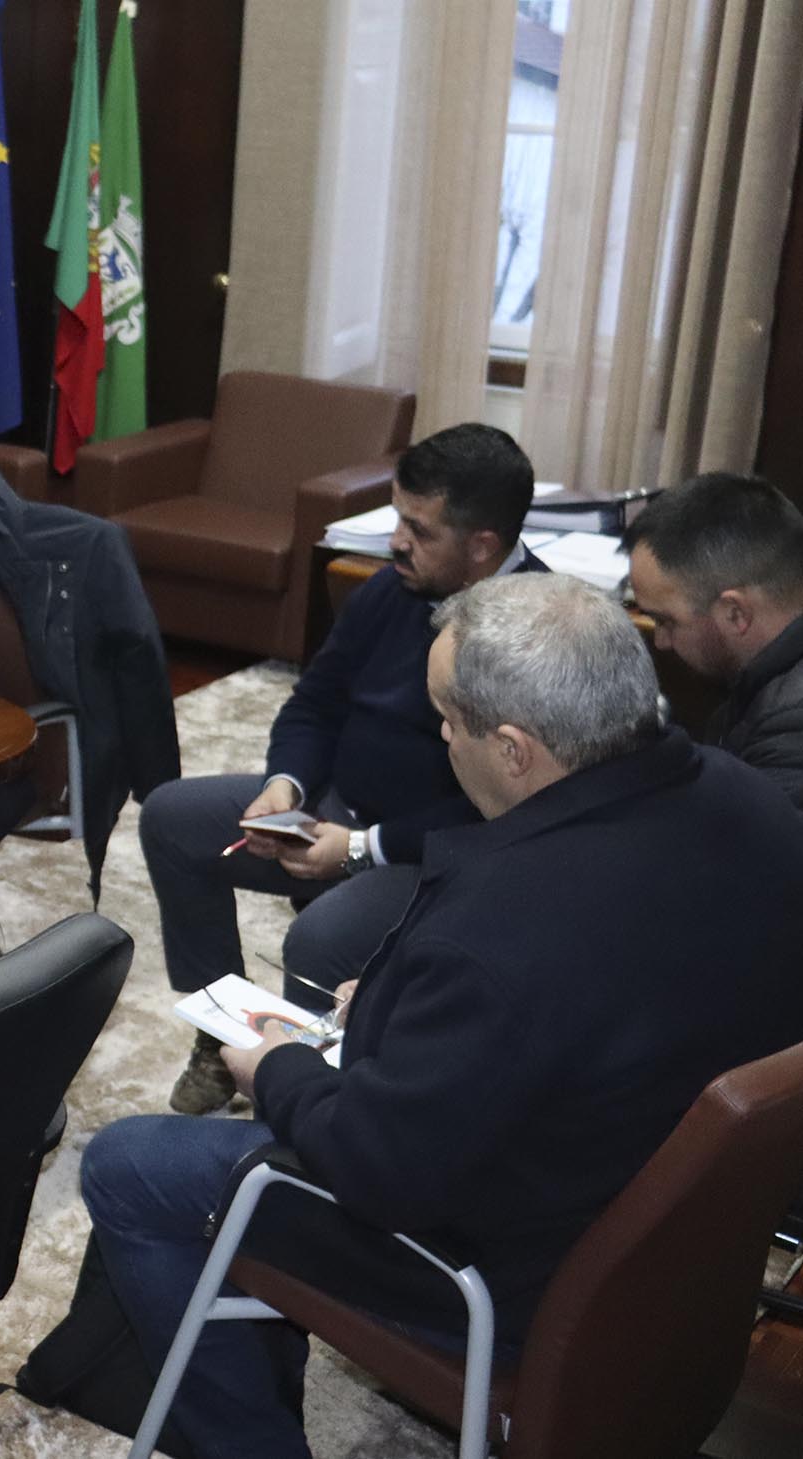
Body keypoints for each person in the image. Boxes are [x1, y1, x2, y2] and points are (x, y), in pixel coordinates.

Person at [80, 573, 803, 1459]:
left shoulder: (501, 922)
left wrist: (274, 1067)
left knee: (128, 1166)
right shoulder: (760, 805)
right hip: (678, 1261)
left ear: (512, 747)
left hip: (509, 1276)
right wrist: (397, 1013)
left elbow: (379, 1169)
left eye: (447, 721)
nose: (441, 738)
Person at [139, 422, 545, 1114]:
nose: (395, 542)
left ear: (483, 547)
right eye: (397, 519)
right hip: (335, 809)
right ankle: (223, 1036)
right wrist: (284, 785)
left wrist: (359, 850)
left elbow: (505, 804)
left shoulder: (534, 636)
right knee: (172, 818)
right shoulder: (390, 589)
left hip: (440, 854)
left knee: (319, 940)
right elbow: (315, 703)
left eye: (419, 530)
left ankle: (301, 1112)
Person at [621, 471, 803, 809]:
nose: (660, 641)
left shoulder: (792, 731)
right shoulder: (765, 674)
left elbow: (747, 851)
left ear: (735, 613)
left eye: (666, 621)